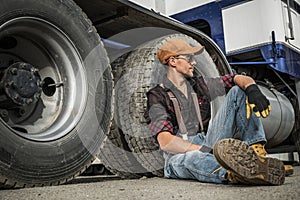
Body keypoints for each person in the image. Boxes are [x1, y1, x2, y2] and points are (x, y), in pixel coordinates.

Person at [145, 38, 286, 185]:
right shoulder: (157, 95)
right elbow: (166, 142)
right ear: (173, 61)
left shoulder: (198, 85)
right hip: (178, 152)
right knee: (192, 159)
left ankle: (257, 157)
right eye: (189, 58)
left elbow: (235, 78)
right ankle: (236, 173)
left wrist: (252, 88)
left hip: (206, 140)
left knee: (238, 90)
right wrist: (205, 150)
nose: (194, 63)